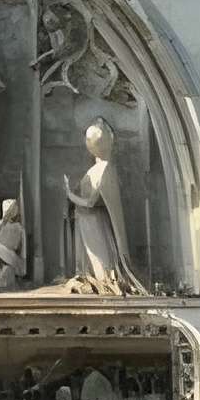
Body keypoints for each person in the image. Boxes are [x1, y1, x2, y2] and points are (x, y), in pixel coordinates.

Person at [63, 119, 143, 292]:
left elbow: (91, 202)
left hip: (94, 223)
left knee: (102, 266)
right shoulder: (96, 169)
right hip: (85, 223)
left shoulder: (105, 169)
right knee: (93, 266)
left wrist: (70, 195)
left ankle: (108, 282)